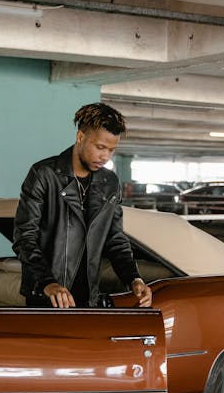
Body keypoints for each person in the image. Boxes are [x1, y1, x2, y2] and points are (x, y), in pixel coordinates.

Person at [13, 102, 152, 308]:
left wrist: (134, 278)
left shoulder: (110, 183)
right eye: (100, 147)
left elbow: (116, 239)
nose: (105, 156)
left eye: (111, 150)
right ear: (80, 137)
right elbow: (25, 238)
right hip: (48, 297)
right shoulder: (43, 175)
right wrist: (47, 283)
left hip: (89, 299)